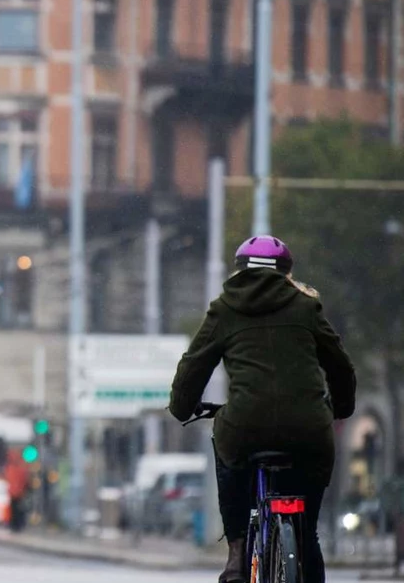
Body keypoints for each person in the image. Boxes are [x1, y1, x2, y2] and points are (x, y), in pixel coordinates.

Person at [168, 236, 356, 583]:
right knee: (308, 534)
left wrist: (182, 408)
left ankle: (237, 555)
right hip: (308, 429)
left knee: (225, 444)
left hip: (245, 425)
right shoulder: (306, 307)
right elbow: (340, 365)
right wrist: (340, 407)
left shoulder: (224, 309)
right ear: (286, 272)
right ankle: (300, 540)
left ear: (240, 271)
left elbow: (193, 365)